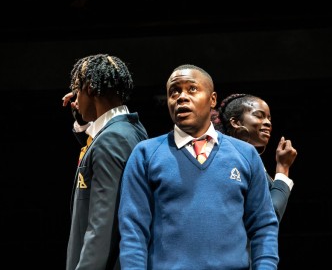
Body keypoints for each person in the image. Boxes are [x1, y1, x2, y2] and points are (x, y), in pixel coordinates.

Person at [118, 64, 279, 269]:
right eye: (174, 92)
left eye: (192, 89)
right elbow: (133, 230)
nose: (181, 97)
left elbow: (263, 226)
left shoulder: (245, 155)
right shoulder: (145, 154)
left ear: (212, 99)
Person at [64, 53, 149, 270]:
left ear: (90, 88)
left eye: (77, 88)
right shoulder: (130, 129)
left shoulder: (111, 140)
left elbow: (103, 224)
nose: (75, 96)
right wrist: (80, 117)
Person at [211, 93, 297, 222]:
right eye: (259, 116)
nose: (267, 123)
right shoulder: (228, 160)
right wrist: (283, 168)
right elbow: (267, 216)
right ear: (235, 122)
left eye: (269, 118)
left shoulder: (247, 159)